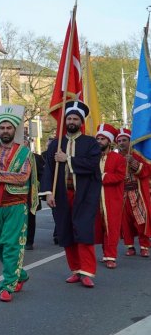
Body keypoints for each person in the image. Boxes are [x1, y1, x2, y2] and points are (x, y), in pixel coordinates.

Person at [42, 100, 101, 287]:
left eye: (75, 118)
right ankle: (75, 270)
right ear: (65, 121)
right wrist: (48, 193)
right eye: (69, 118)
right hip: (62, 195)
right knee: (66, 232)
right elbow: (48, 170)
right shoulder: (56, 144)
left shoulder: (91, 143)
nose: (72, 121)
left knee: (83, 232)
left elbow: (92, 165)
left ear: (81, 121)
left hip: (84, 195)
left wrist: (67, 159)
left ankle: (87, 272)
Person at [0, 106, 38, 302]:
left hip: (15, 204)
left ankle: (7, 285)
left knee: (11, 245)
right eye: (2, 128)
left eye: (8, 127)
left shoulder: (25, 153)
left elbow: (23, 177)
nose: (5, 131)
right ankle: (20, 274)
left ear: (15, 130)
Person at [93, 124, 125, 268]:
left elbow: (119, 176)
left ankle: (110, 256)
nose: (99, 141)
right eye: (98, 138)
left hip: (112, 199)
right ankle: (105, 253)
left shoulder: (118, 158)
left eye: (102, 139)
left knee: (111, 227)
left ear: (109, 141)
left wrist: (101, 177)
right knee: (99, 227)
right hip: (95, 198)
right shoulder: (92, 157)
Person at [116, 128, 151, 257]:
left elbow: (147, 172)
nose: (121, 143)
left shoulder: (138, 155)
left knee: (141, 221)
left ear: (130, 141)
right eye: (119, 140)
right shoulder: (115, 157)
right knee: (125, 223)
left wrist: (133, 162)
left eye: (124, 140)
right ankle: (130, 246)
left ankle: (144, 246)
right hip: (122, 195)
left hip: (137, 193)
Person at [26, 151, 46, 250]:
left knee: (30, 216)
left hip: (30, 191)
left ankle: (29, 241)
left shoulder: (34, 157)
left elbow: (42, 175)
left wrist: (44, 190)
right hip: (12, 193)